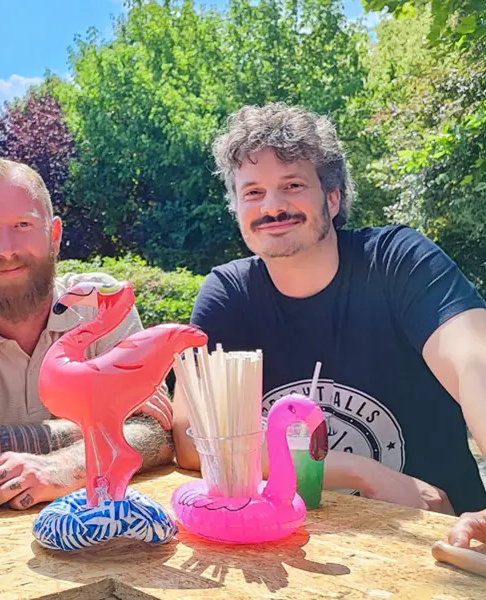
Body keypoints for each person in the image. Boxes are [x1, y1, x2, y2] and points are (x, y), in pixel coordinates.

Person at [176, 103, 486, 521]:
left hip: (444, 533)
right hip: (297, 540)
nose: (272, 207)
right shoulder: (229, 294)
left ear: (333, 198)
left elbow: (474, 362)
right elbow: (193, 441)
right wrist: (360, 471)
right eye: (253, 192)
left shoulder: (398, 262)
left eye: (292, 185)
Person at [0, 158, 174, 510]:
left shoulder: (101, 304)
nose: (6, 250)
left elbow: (158, 433)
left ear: (54, 235)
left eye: (23, 225)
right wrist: (100, 421)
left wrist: (64, 468)